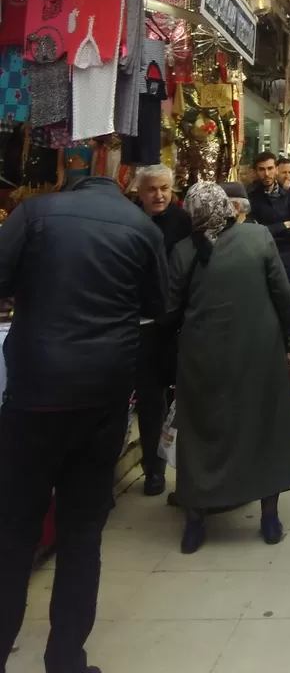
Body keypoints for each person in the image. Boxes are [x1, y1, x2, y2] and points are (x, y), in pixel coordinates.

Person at [0, 175, 168, 673]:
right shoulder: (142, 227)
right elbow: (157, 305)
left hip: (34, 392)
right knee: (81, 532)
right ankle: (65, 659)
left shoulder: (34, 214)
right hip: (103, 395)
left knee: (12, 532)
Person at [168, 182, 290, 554]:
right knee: (265, 430)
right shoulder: (258, 238)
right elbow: (282, 293)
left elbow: (169, 309)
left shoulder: (182, 252)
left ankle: (195, 524)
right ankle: (270, 519)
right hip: (259, 352)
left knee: (201, 436)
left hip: (201, 360)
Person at [134, 164, 192, 497]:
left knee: (185, 399)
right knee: (149, 401)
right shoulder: (130, 221)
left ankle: (188, 473)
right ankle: (152, 471)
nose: (159, 195)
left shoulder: (184, 223)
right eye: (152, 189)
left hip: (180, 325)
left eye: (165, 189)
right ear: (139, 192)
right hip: (144, 326)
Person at [247, 149, 290, 325]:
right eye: (262, 169)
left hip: (288, 255)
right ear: (255, 171)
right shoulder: (250, 198)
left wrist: (267, 230)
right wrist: (282, 226)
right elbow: (251, 230)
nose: (267, 174)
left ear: (276, 169)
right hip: (261, 255)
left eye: (270, 168)